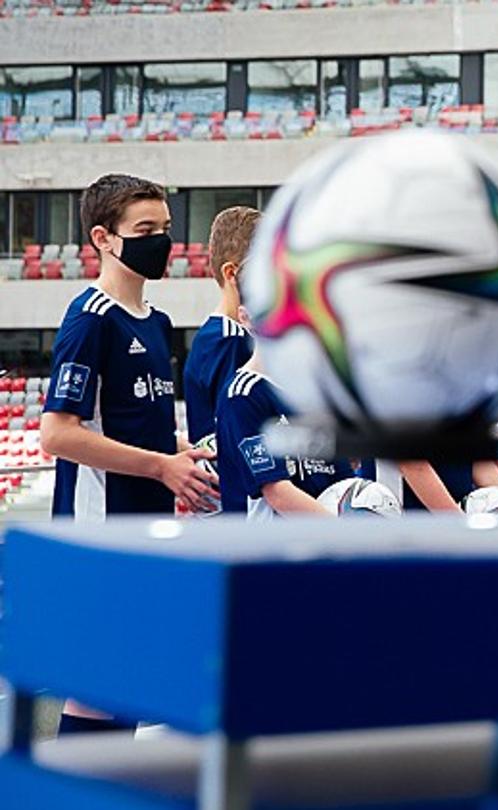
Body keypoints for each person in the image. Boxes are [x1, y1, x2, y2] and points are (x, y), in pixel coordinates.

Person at [39, 173, 218, 734]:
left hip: (148, 524)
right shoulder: (90, 319)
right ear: (103, 238)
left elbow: (136, 426)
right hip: (101, 529)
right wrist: (162, 466)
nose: (161, 241)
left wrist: (184, 454)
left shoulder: (158, 323)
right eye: (145, 229)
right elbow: (58, 434)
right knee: (100, 690)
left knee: (130, 688)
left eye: (165, 228)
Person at [215, 359, 352, 519]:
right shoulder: (243, 395)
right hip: (265, 539)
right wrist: (342, 532)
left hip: (318, 537)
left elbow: (345, 483)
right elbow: (278, 494)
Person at [182, 206, 258, 469]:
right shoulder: (231, 339)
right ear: (231, 274)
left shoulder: (215, 335)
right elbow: (238, 427)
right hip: (234, 493)